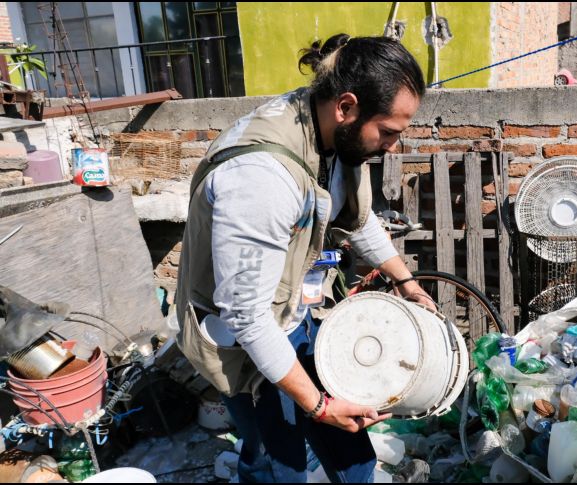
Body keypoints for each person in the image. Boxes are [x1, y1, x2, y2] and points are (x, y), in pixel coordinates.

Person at [175, 33, 433, 483]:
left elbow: (354, 216)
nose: (393, 146)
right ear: (347, 106)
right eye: (389, 132)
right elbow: (248, 318)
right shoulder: (262, 178)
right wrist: (319, 406)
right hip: (244, 341)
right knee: (280, 466)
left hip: (294, 313)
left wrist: (403, 279)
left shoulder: (336, 135)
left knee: (353, 457)